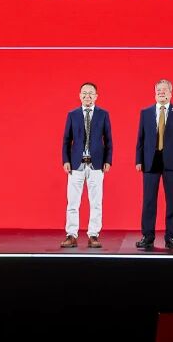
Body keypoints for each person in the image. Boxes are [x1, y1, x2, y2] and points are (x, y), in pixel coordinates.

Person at [135, 78, 173, 250]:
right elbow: (141, 138)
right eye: (158, 90)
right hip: (150, 162)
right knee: (149, 201)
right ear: (155, 93)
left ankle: (171, 237)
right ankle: (147, 236)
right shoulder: (146, 112)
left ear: (171, 93)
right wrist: (138, 160)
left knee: (172, 201)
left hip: (172, 162)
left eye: (164, 89)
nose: (161, 92)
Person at [61, 82, 112, 248]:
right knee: (72, 202)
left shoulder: (103, 114)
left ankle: (93, 235)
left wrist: (108, 160)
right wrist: (66, 160)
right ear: (79, 95)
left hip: (96, 165)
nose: (87, 96)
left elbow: (108, 140)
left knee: (96, 202)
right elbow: (66, 140)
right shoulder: (72, 114)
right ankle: (71, 235)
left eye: (90, 93)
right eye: (84, 93)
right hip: (76, 165)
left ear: (96, 96)